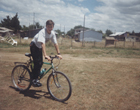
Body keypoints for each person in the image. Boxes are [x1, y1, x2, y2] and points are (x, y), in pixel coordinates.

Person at [30, 20, 62, 87]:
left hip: (39, 47)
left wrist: (59, 53)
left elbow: (55, 43)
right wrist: (45, 55)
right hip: (34, 46)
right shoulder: (42, 32)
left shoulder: (52, 33)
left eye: (51, 27)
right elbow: (42, 44)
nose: (50, 28)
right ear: (46, 26)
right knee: (37, 62)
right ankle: (34, 79)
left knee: (40, 63)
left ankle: (36, 77)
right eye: (49, 27)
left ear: (53, 27)